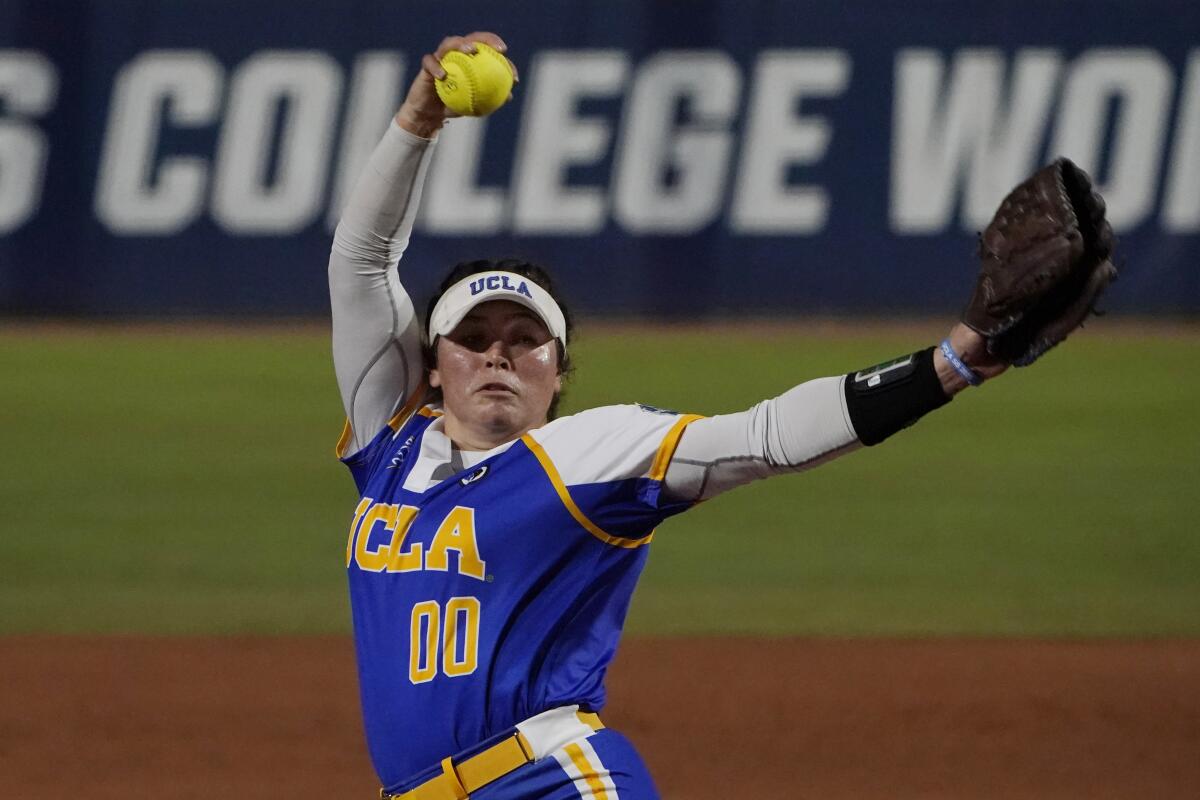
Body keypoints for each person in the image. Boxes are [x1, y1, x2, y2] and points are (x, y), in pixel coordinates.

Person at [329, 32, 1016, 800]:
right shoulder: (389, 443)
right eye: (473, 339)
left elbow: (767, 437)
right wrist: (418, 119)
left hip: (553, 783)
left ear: (557, 375)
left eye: (526, 343)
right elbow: (361, 260)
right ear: (432, 365)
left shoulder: (592, 453)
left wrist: (951, 365)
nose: (498, 356)